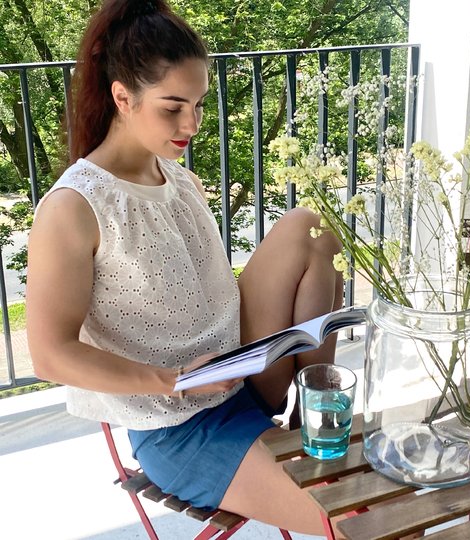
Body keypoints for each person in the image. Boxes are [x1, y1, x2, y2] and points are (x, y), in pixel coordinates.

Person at [26, 0, 344, 536]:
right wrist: (174, 381)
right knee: (354, 514)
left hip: (238, 376)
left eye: (197, 104)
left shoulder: (179, 179)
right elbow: (49, 355)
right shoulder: (74, 208)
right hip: (177, 425)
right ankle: (308, 444)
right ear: (122, 98)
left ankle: (316, 398)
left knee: (311, 227)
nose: (191, 124)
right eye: (173, 107)